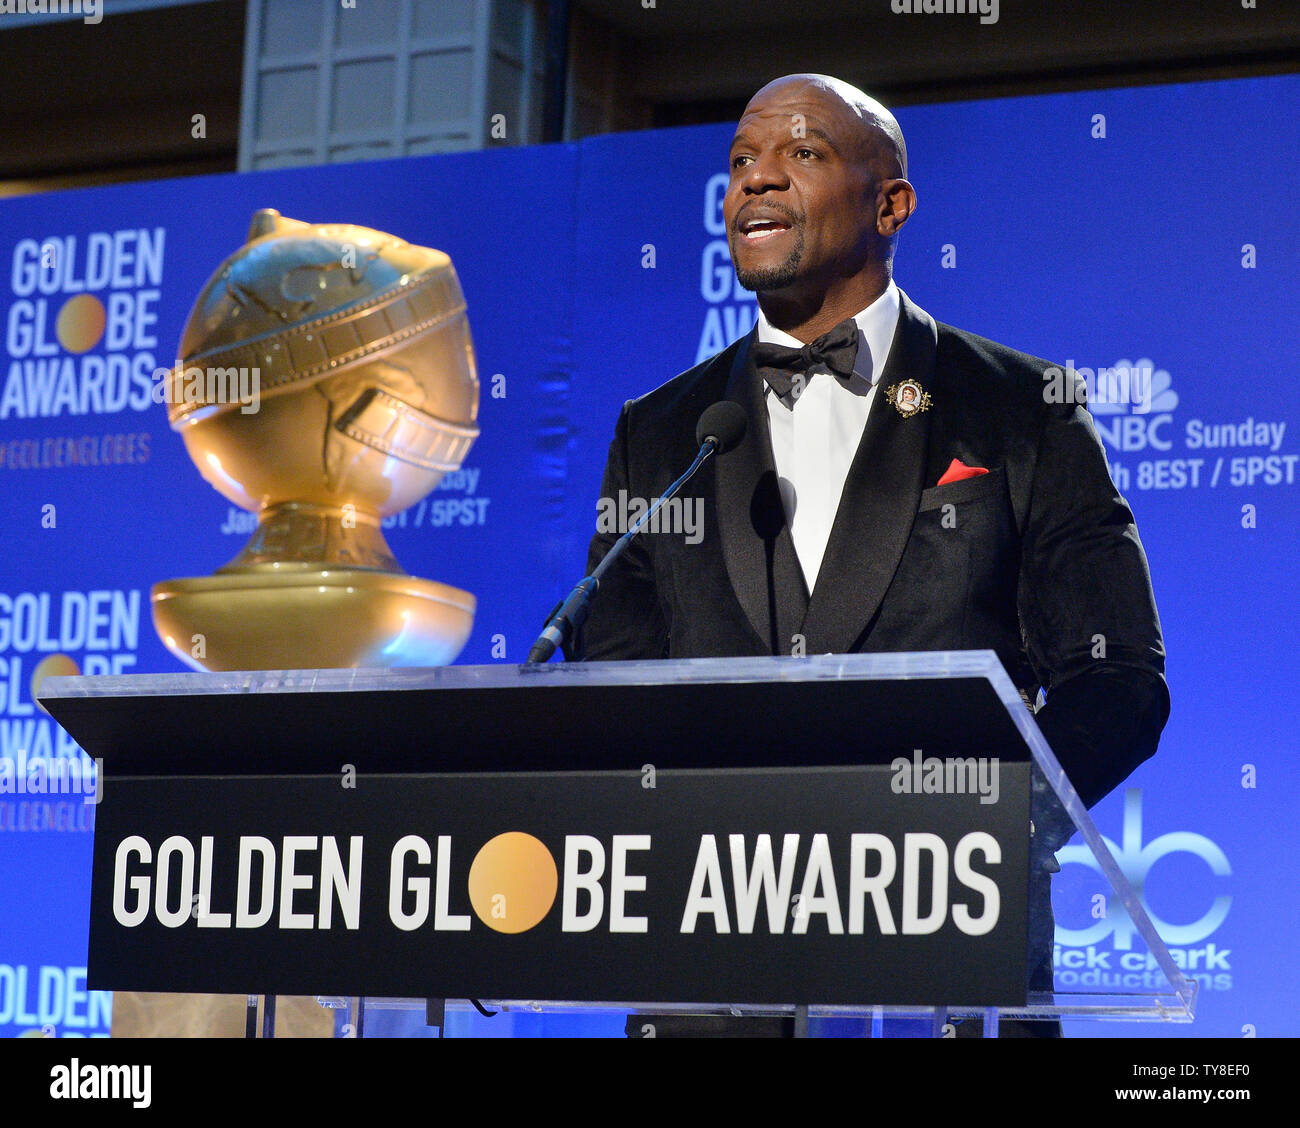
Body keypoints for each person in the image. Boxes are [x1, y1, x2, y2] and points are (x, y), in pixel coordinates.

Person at [574, 73, 1170, 1037]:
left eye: (801, 154)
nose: (756, 182)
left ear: (891, 204)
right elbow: (612, 668)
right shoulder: (664, 431)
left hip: (949, 948)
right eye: (740, 162)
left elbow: (1120, 683)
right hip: (706, 951)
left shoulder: (1026, 408)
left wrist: (994, 830)